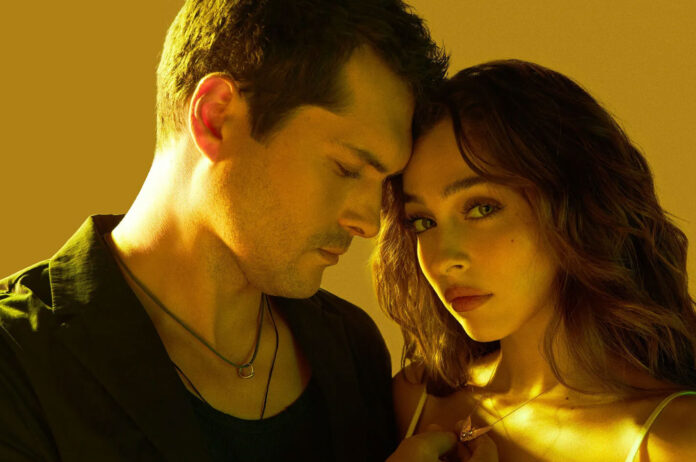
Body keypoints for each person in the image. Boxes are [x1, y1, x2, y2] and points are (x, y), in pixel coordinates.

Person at [0, 1, 449, 461]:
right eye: (347, 168)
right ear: (215, 118)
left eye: (383, 183)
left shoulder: (352, 350)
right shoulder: (16, 360)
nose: (369, 223)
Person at [374, 60, 696, 461]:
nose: (443, 259)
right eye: (423, 221)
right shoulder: (417, 399)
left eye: (481, 208)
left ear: (572, 208)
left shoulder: (673, 439)